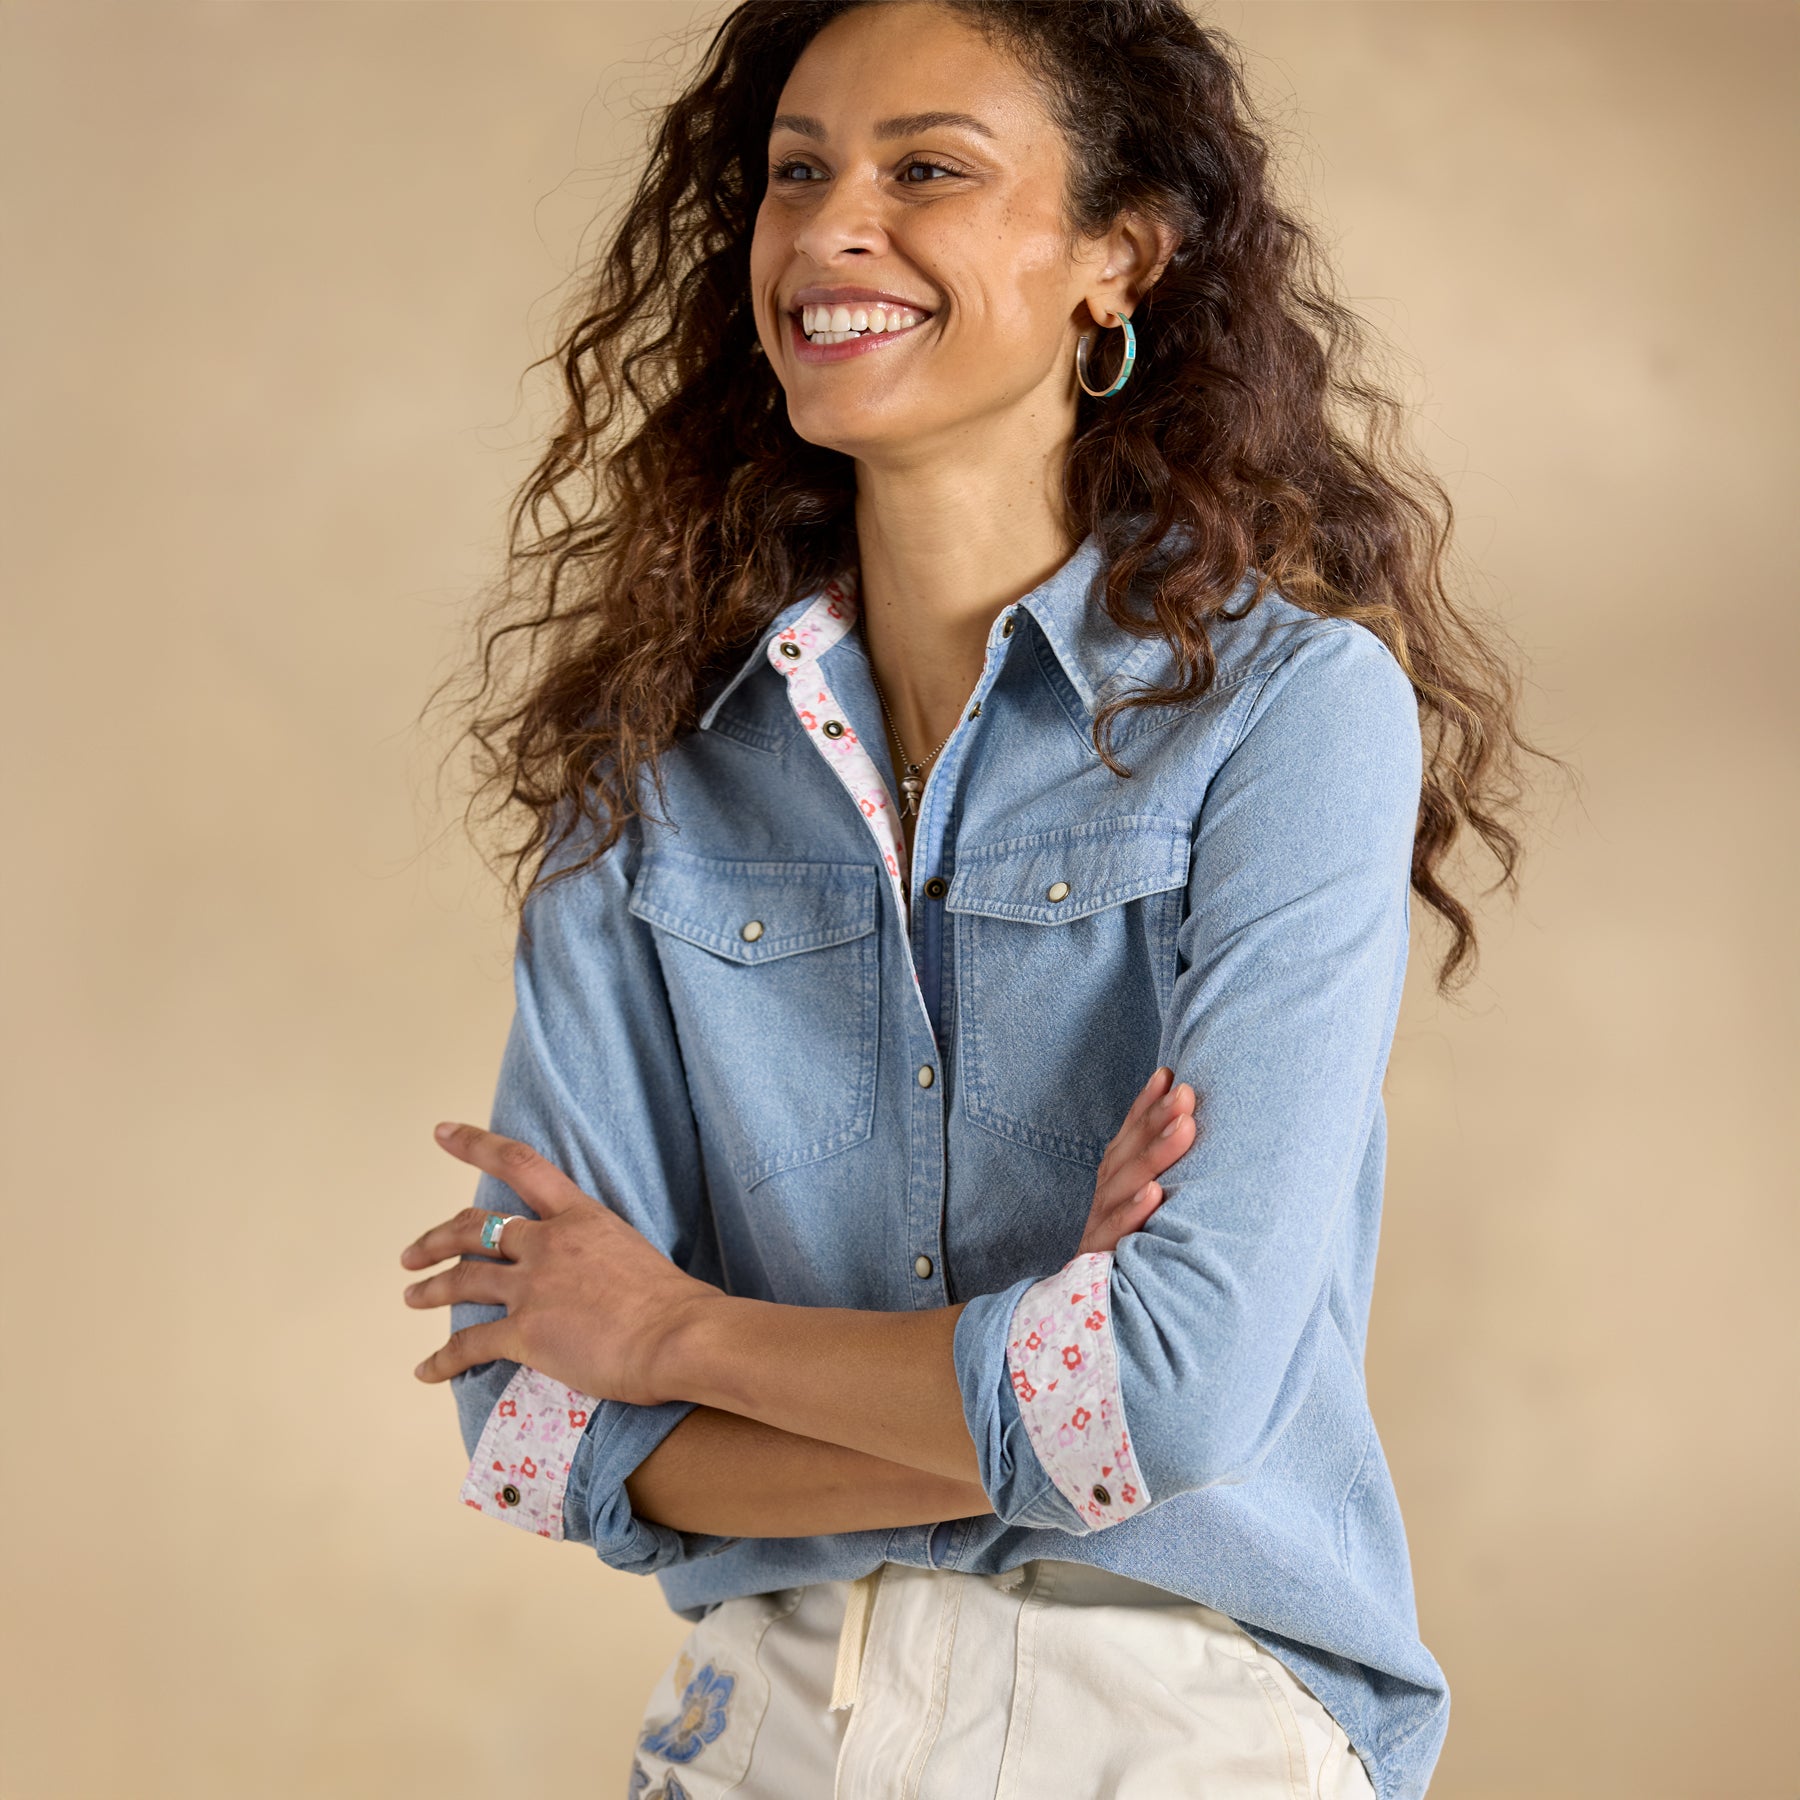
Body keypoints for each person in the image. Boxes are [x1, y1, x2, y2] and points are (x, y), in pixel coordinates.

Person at [398, 3, 1549, 1795]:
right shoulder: (647, 770)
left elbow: (1172, 1384)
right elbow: (539, 1427)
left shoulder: (1293, 715)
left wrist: (679, 1335)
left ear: (1119, 258)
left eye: (926, 168)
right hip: (758, 1733)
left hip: (1172, 1732)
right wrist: (1036, 1393)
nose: (832, 227)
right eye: (796, 173)